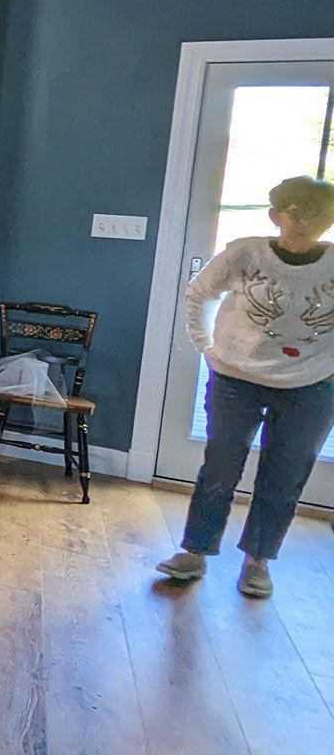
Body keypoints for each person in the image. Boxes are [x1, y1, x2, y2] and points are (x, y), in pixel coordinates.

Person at [157, 175, 334, 597]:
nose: (307, 222)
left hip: (311, 386)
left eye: (320, 214)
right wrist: (205, 345)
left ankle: (258, 561)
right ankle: (195, 552)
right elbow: (199, 293)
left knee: (285, 476)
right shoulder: (245, 253)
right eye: (297, 212)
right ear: (276, 215)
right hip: (236, 379)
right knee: (219, 469)